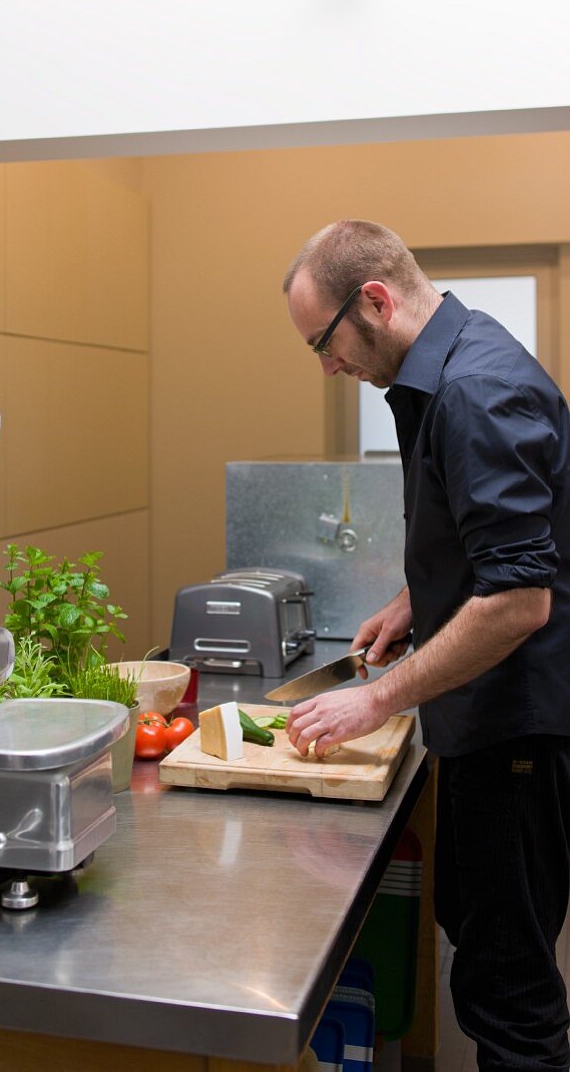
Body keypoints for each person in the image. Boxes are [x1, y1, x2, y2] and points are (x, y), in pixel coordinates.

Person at [282, 219, 570, 1071]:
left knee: (511, 1000)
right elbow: (498, 539)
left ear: (375, 300)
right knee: (484, 955)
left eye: (325, 343)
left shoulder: (476, 390)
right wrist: (419, 597)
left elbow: (519, 599)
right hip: (489, 723)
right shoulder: (445, 367)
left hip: (516, 731)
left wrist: (376, 696)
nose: (329, 366)